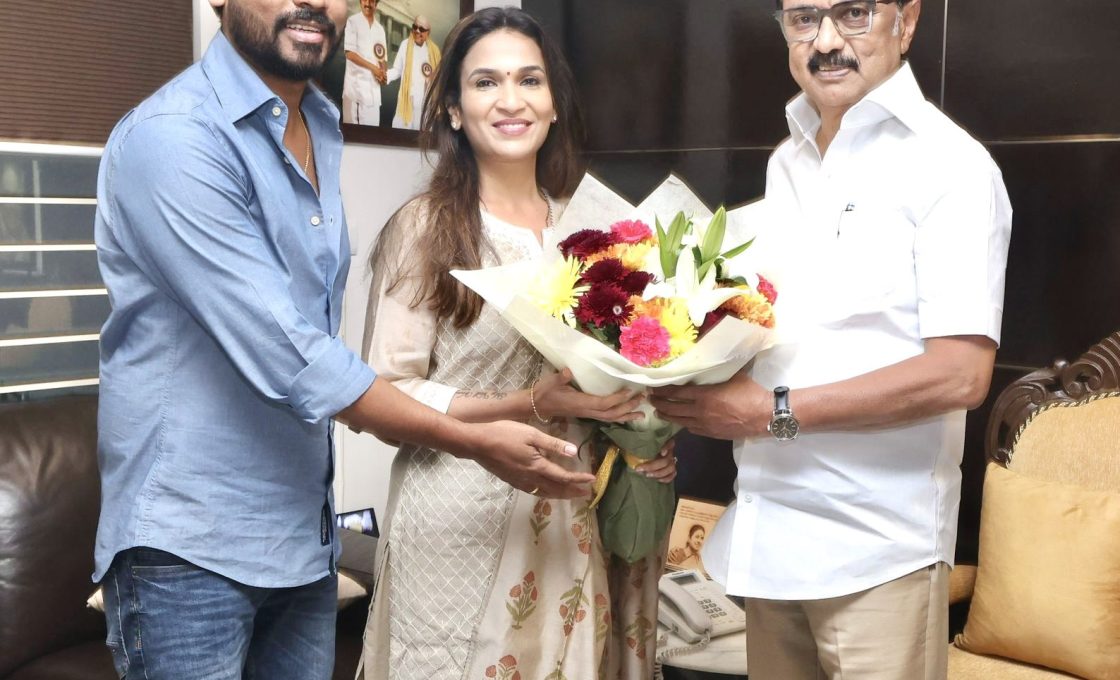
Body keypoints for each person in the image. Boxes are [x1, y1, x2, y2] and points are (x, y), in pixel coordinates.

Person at [92, 1, 593, 678]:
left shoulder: (320, 122)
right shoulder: (175, 137)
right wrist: (478, 437)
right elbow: (293, 354)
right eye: (486, 82)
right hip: (189, 550)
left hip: (304, 538)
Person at [650, 1, 1013, 678]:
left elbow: (960, 374)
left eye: (852, 14)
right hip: (768, 538)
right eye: (802, 18)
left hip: (876, 552)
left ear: (906, 22)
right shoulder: (788, 161)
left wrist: (771, 413)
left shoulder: (951, 166)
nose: (824, 41)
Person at [359, 8, 676, 679]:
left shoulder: (591, 233)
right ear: (453, 110)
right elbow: (385, 394)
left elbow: (629, 370)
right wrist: (528, 402)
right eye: (486, 83)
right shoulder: (426, 229)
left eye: (529, 80)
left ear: (554, 104)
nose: (511, 100)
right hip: (459, 521)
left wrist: (644, 434)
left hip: (572, 517)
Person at [386, 14, 440, 129]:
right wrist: (384, 76)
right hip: (407, 102)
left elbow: (438, 80)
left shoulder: (434, 52)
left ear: (428, 32)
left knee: (422, 136)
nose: (417, 31)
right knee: (401, 135)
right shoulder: (405, 45)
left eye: (421, 29)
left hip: (425, 106)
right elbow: (396, 70)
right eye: (415, 27)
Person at [342, 0, 388, 125]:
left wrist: (383, 75)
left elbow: (382, 58)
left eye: (371, 1)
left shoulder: (380, 29)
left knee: (372, 134)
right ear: (360, 1)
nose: (367, 4)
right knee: (352, 134)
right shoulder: (353, 21)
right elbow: (350, 54)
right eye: (364, 0)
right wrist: (374, 68)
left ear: (376, 4)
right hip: (355, 91)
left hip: (373, 94)